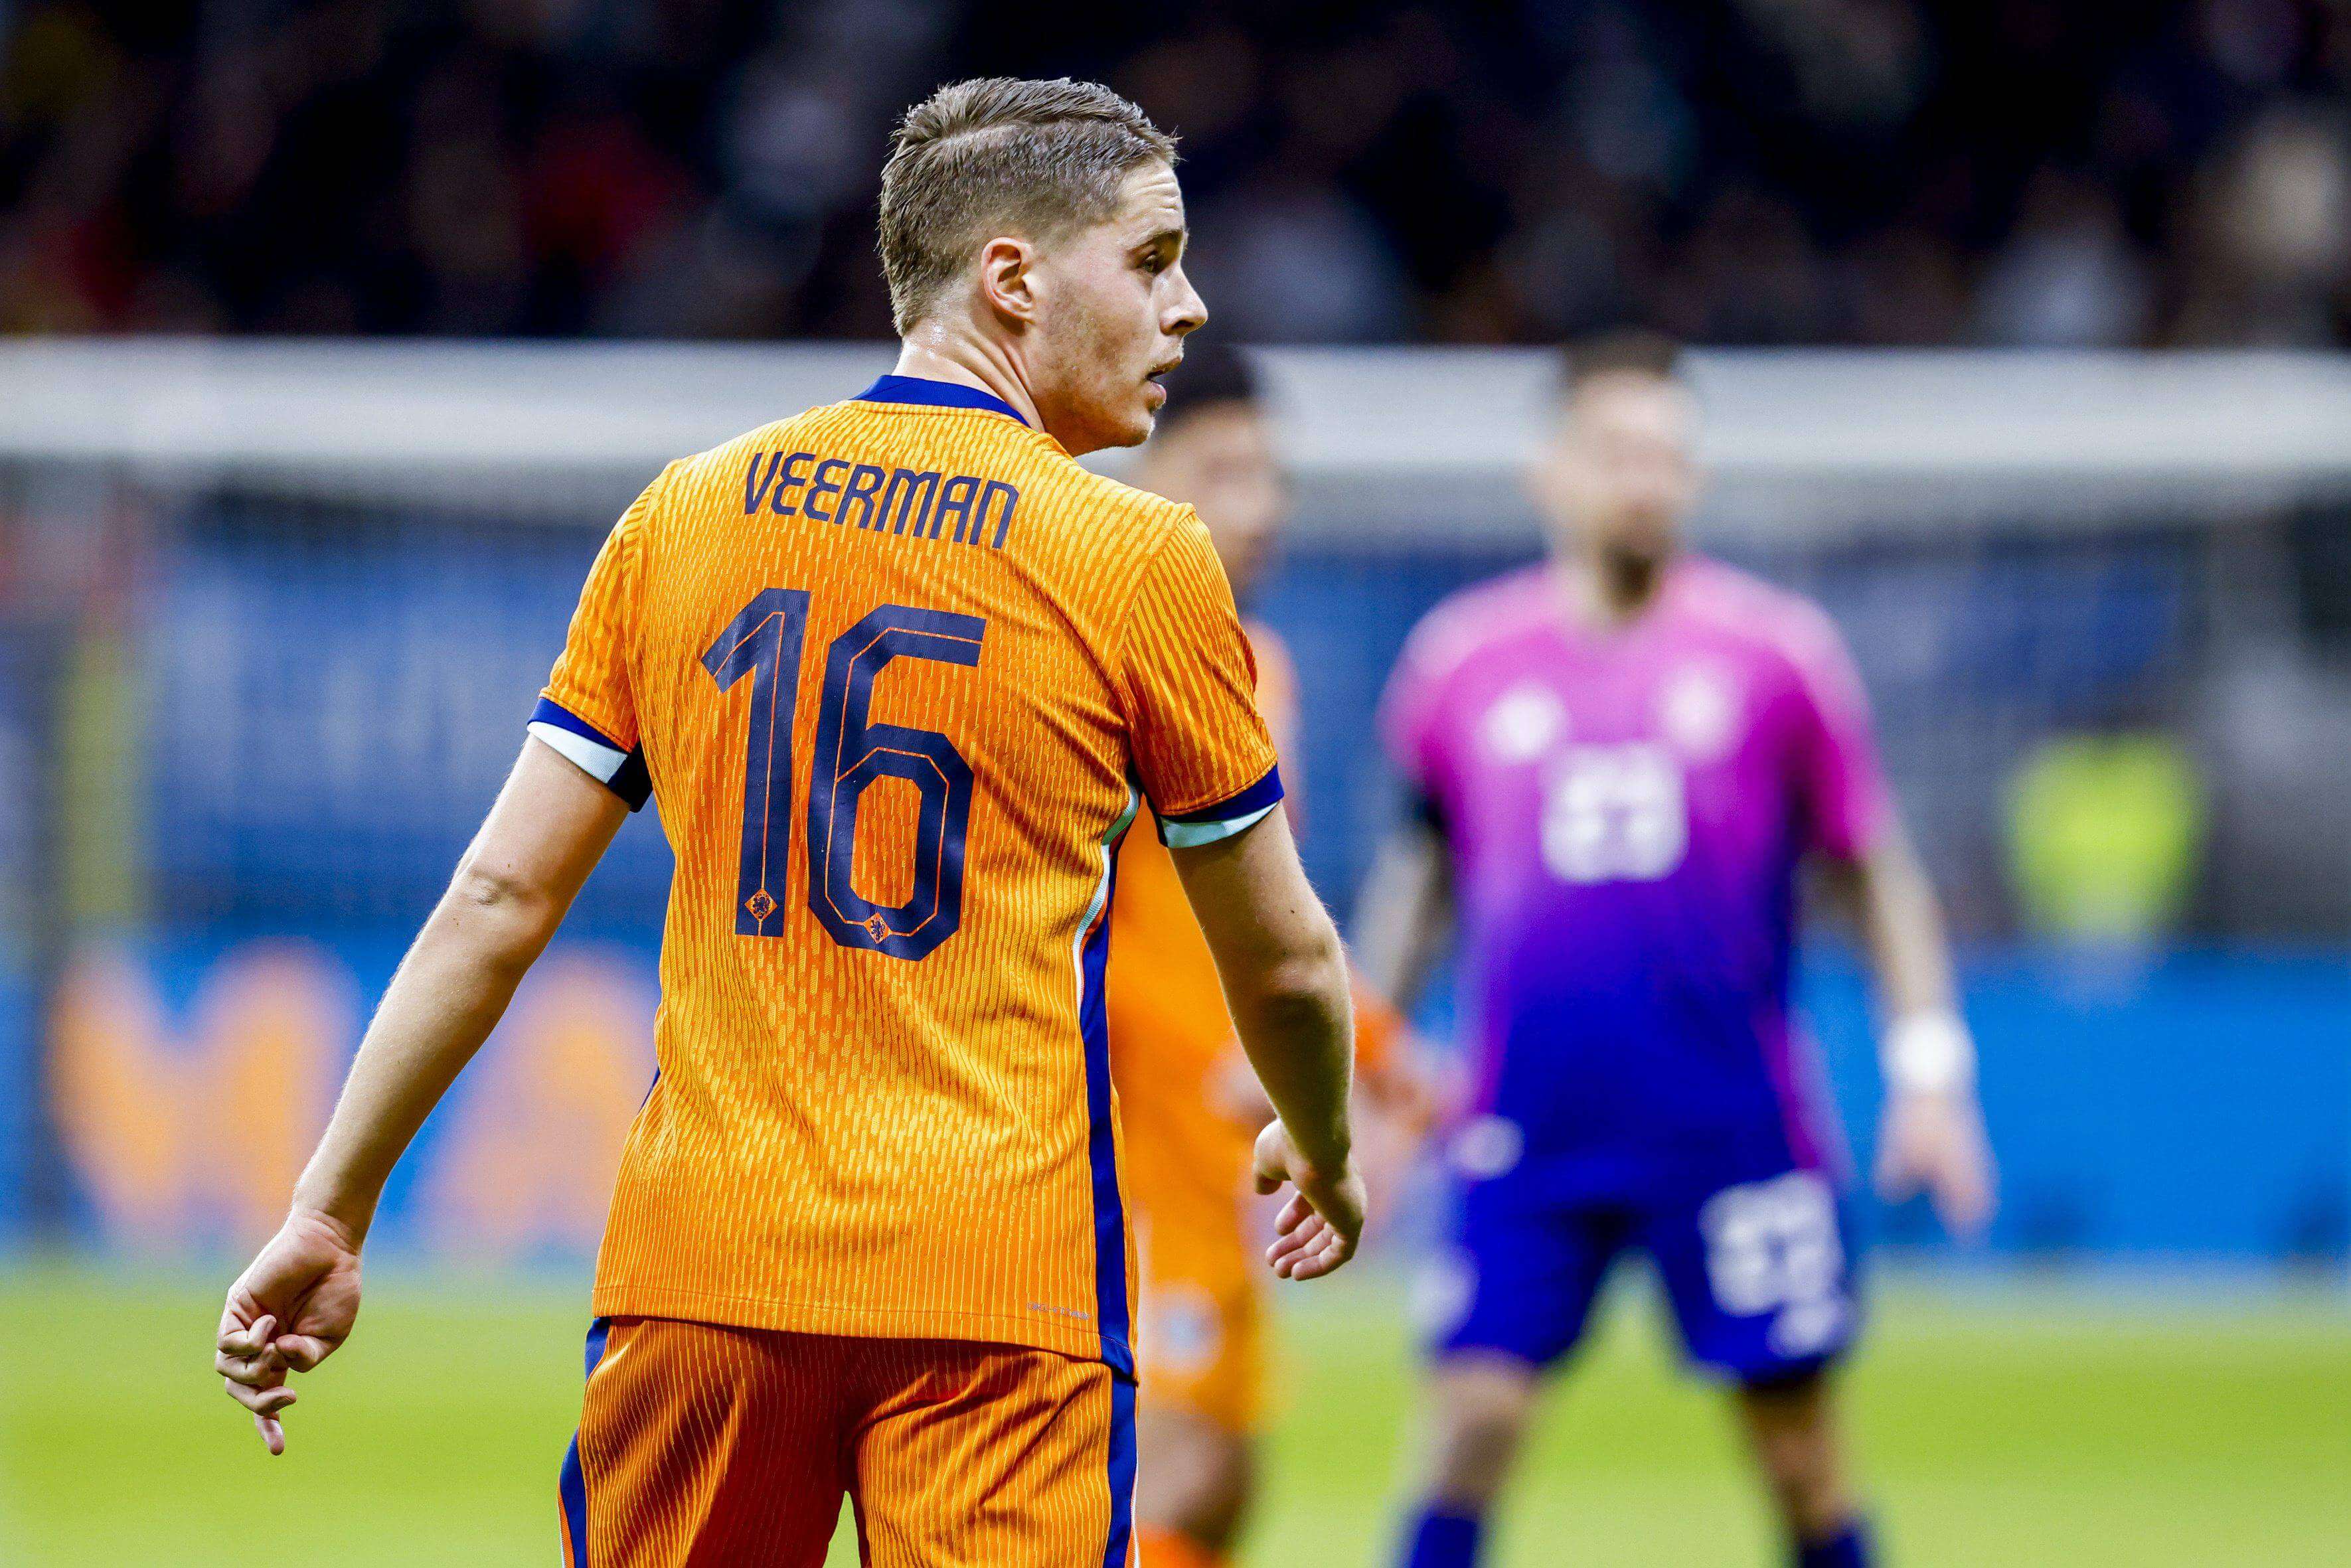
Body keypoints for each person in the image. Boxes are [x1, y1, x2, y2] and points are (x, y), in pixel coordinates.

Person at [212, 77, 1367, 1568]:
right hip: (994, 1292)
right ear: (1009, 277)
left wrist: (331, 1204)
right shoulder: (1136, 559)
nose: (1191, 306)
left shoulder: (686, 512)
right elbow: (1278, 958)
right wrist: (1326, 1145)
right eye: (1151, 259)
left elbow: (497, 897)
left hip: (702, 1270)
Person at [1364, 333, 1995, 1568]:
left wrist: (1928, 1073)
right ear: (1548, 472)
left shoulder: (1775, 656)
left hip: (1731, 1123)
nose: (1643, 479)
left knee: (1800, 1453)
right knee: (1472, 1417)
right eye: (1615, 452)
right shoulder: (1460, 661)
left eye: (1666, 455)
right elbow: (1419, 878)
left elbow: (1875, 875)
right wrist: (1369, 1073)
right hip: (1525, 1122)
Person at [1103, 346, 1418, 1568]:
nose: (1260, 505)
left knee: (1224, 1476)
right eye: (1225, 473)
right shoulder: (1110, 649)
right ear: (1152, 481)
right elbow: (1089, 917)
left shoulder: (1255, 661)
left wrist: (1371, 1042)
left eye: (1270, 476)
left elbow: (1255, 910)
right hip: (1133, 1120)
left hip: (1215, 1112)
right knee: (1180, 1458)